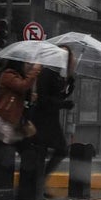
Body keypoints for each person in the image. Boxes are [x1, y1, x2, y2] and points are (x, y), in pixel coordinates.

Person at [0, 60, 42, 200]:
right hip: (0, 125)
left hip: (14, 126)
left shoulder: (19, 78)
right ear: (18, 64)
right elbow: (22, 86)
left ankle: (26, 193)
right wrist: (35, 71)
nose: (29, 67)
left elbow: (22, 95)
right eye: (26, 64)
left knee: (29, 153)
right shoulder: (8, 75)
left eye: (31, 65)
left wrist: (31, 97)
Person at [27, 48, 75, 184]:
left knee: (58, 150)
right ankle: (36, 185)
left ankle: (39, 183)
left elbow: (59, 95)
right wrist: (63, 104)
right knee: (45, 150)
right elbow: (44, 99)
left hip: (51, 118)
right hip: (42, 118)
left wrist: (69, 85)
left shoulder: (59, 75)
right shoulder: (47, 73)